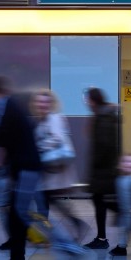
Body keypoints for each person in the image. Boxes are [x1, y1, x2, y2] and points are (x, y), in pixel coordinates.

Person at [0, 76, 43, 260]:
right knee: (16, 215)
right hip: (24, 168)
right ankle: (17, 254)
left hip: (26, 168)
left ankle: (64, 244)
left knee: (19, 214)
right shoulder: (12, 105)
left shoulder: (3, 105)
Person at [30, 89, 89, 242]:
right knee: (50, 201)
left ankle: (55, 233)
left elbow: (57, 139)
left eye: (46, 102)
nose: (42, 105)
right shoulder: (42, 120)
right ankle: (73, 226)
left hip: (56, 170)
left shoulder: (54, 118)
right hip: (51, 170)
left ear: (51, 104)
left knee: (46, 200)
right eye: (40, 102)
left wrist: (38, 147)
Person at [83, 87, 121, 249]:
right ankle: (102, 238)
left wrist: (96, 166)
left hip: (104, 171)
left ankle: (103, 238)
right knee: (101, 202)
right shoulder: (103, 115)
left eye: (87, 99)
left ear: (92, 101)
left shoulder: (103, 117)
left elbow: (105, 146)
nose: (86, 103)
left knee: (106, 204)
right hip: (105, 171)